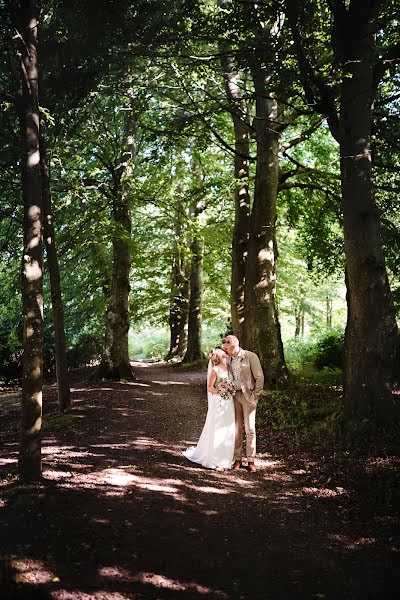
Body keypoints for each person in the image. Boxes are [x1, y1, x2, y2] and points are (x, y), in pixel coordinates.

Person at [183, 348, 235, 470]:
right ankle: (215, 459)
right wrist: (220, 390)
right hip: (219, 402)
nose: (225, 355)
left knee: (228, 429)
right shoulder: (215, 370)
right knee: (218, 429)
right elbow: (210, 388)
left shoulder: (230, 368)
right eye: (222, 354)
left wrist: (229, 390)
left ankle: (226, 458)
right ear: (218, 357)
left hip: (229, 403)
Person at [221, 335, 264, 472]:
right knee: (237, 429)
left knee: (250, 428)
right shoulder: (227, 358)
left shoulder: (250, 356)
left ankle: (251, 460)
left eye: (227, 349)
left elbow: (259, 377)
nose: (225, 352)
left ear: (234, 346)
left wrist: (255, 396)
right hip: (234, 396)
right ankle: (237, 459)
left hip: (248, 397)